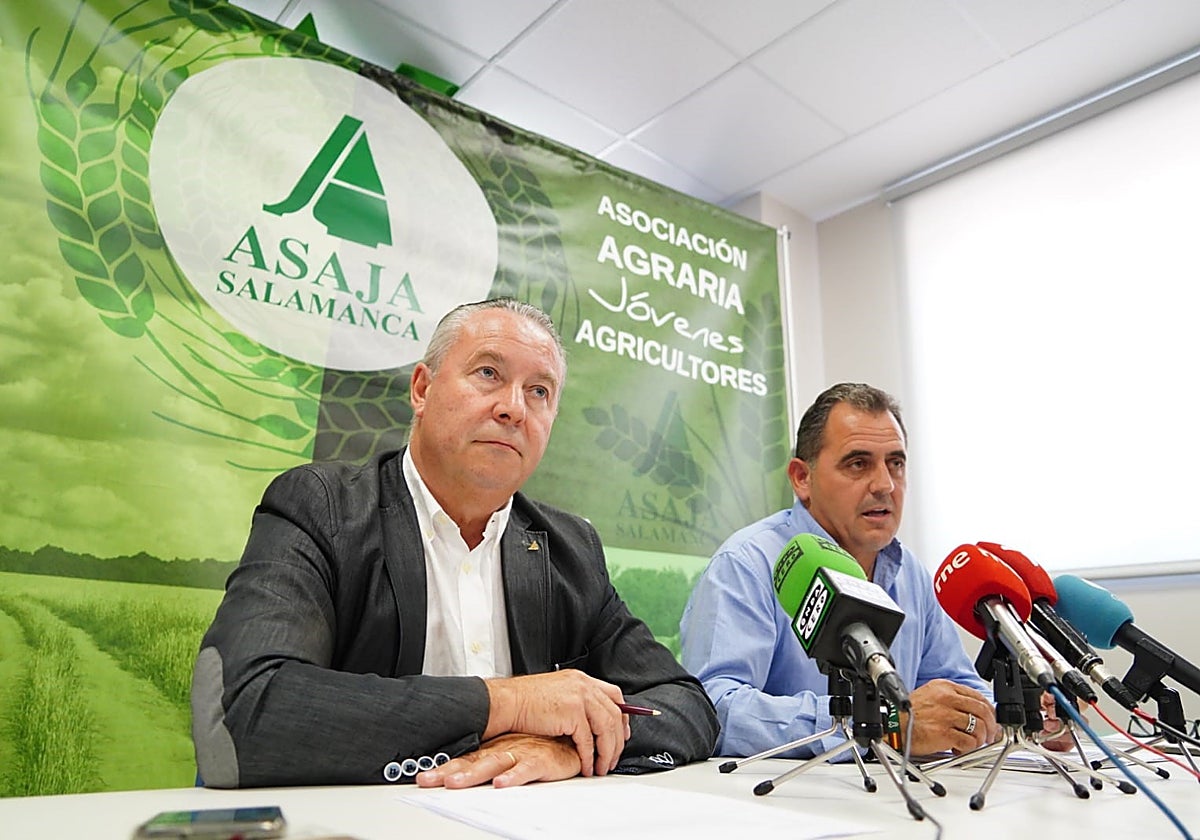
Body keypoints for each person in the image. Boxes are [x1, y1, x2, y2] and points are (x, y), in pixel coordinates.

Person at [191, 298, 719, 789]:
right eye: (488, 373)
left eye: (539, 391)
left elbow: (686, 705)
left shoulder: (570, 548)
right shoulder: (322, 507)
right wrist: (510, 704)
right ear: (422, 389)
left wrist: (565, 747)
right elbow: (248, 711)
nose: (514, 408)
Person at [681, 382, 1019, 759]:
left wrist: (1017, 717)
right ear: (802, 478)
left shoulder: (910, 573)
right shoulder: (747, 563)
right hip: (787, 792)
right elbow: (714, 709)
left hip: (897, 788)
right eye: (858, 464)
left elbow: (956, 688)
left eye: (896, 463)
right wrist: (881, 723)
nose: (885, 485)